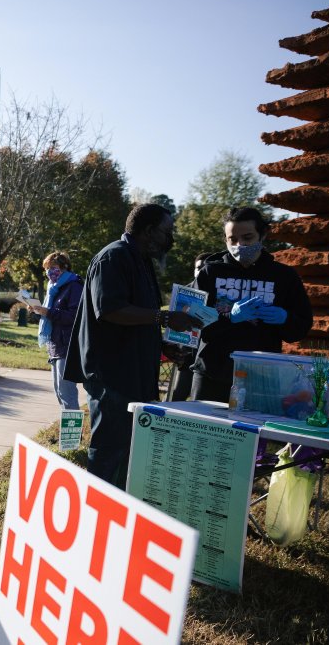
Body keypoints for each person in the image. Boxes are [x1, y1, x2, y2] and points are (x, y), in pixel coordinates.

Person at [64, 203, 201, 489]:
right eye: (167, 232)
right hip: (112, 377)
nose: (170, 239)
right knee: (109, 452)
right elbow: (110, 310)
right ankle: (97, 514)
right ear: (148, 231)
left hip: (135, 375)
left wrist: (163, 346)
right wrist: (163, 316)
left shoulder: (140, 260)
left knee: (131, 452)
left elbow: (137, 321)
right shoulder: (113, 257)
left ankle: (120, 516)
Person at [191, 207, 313, 402]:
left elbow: (301, 327)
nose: (240, 245)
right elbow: (192, 322)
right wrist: (229, 316)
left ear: (262, 235)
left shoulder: (283, 276)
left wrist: (285, 318)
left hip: (261, 377)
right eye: (232, 239)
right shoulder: (210, 273)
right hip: (212, 373)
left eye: (247, 238)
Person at [30, 251, 84, 410]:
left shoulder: (74, 285)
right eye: (47, 268)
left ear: (64, 266)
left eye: (53, 267)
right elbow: (52, 313)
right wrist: (37, 310)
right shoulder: (54, 287)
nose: (49, 271)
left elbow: (75, 316)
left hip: (67, 346)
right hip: (55, 346)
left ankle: (73, 435)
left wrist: (47, 312)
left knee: (67, 394)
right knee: (60, 393)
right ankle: (68, 433)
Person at [167, 252, 213, 402]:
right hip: (186, 354)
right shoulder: (183, 293)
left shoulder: (218, 295)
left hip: (207, 357)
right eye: (198, 267)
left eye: (206, 267)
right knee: (177, 395)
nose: (201, 270)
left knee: (199, 400)